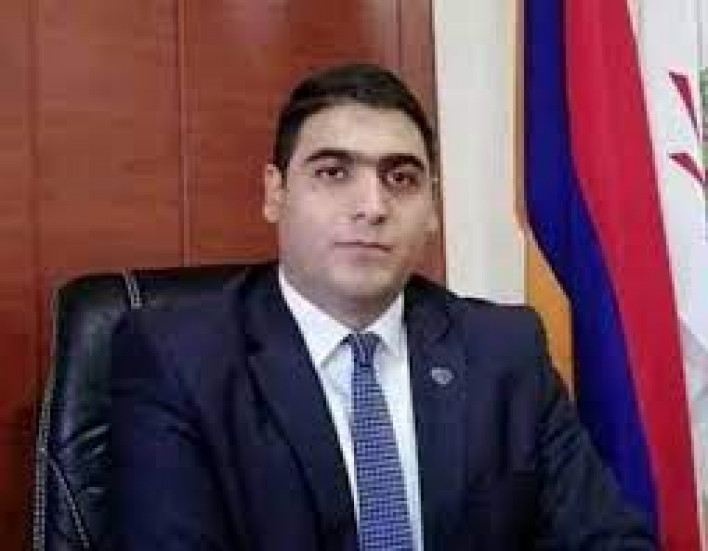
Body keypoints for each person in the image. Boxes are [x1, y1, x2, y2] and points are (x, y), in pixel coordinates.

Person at [110, 63, 656, 550]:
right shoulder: (178, 358)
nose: (372, 207)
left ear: (432, 207)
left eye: (401, 178)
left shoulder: (503, 350)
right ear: (275, 193)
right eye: (333, 173)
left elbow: (607, 537)